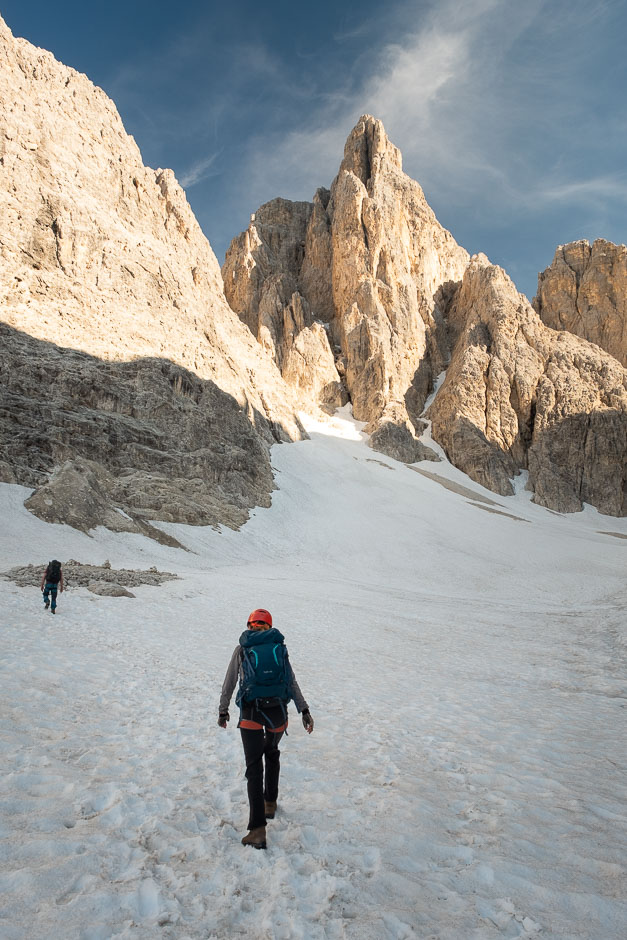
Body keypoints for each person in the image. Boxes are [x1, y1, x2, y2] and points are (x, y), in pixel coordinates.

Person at [218, 607, 314, 849]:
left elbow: (229, 682)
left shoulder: (242, 649)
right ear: (269, 626)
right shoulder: (279, 648)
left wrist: (223, 710)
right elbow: (291, 682)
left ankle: (258, 831)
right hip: (278, 713)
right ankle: (270, 802)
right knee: (271, 753)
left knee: (254, 767)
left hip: (251, 712)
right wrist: (304, 710)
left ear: (249, 625)